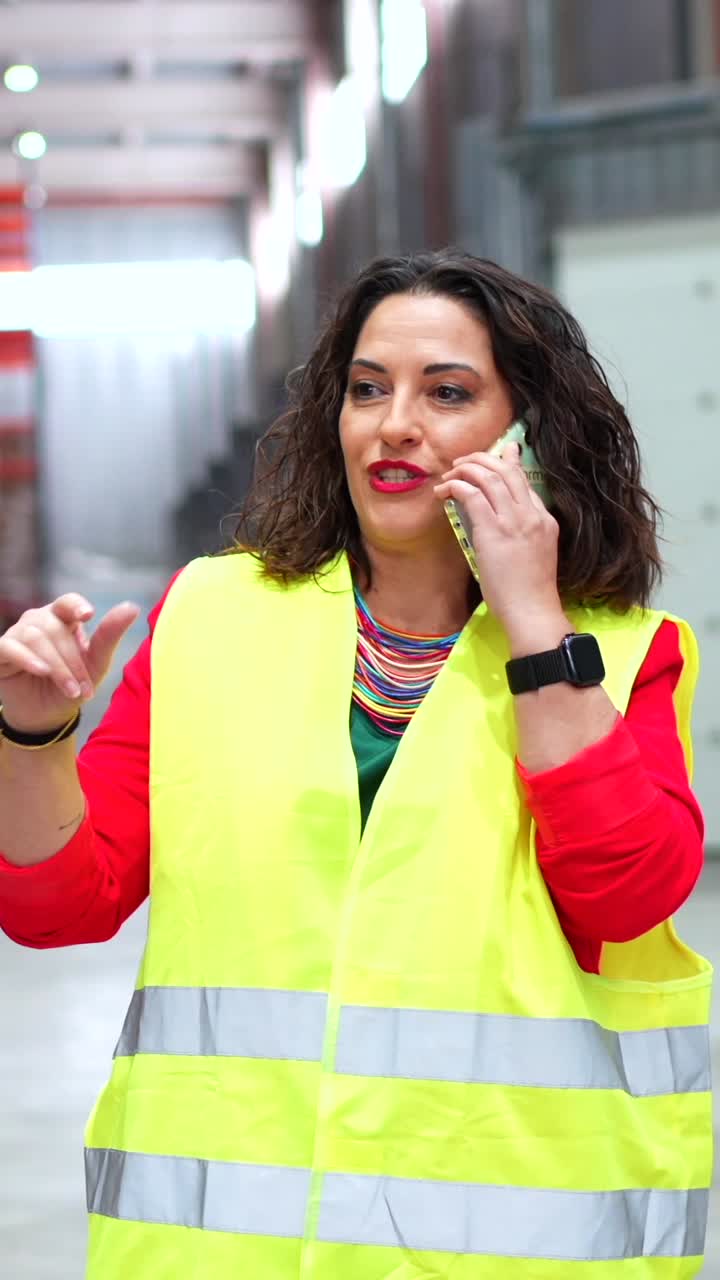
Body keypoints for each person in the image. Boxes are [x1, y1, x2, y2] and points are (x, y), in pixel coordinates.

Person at [0, 250, 712, 1280]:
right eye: (368, 388)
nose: (395, 424)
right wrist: (33, 734)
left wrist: (531, 612)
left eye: (448, 392)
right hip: (219, 1254)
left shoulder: (620, 651)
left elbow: (626, 892)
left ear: (530, 434)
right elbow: (59, 901)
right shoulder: (210, 617)